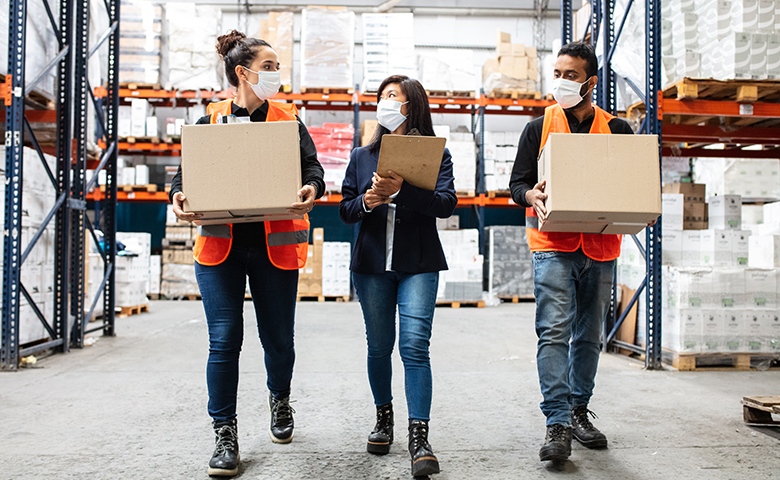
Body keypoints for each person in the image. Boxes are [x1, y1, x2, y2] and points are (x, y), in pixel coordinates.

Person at [169, 30, 324, 477]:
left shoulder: (288, 120)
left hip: (274, 247)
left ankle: (280, 399)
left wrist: (311, 187)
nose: (278, 74)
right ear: (244, 72)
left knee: (277, 341)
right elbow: (184, 176)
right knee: (224, 340)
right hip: (222, 248)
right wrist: (177, 195)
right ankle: (225, 433)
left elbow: (312, 169)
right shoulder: (209, 123)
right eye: (270, 66)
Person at [509, 42, 644, 464]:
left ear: (591, 82)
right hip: (554, 246)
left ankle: (579, 410)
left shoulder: (617, 129)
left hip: (602, 246)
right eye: (558, 73)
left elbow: (632, 184)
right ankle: (557, 422)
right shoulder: (538, 127)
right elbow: (518, 185)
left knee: (588, 336)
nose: (562, 82)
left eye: (571, 75)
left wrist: (644, 206)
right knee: (553, 332)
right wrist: (529, 194)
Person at [339, 75, 457, 477]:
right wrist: (368, 200)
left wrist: (402, 190)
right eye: (382, 96)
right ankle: (383, 417)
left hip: (418, 264)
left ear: (413, 106)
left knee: (414, 347)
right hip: (372, 265)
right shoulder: (361, 156)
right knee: (379, 346)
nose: (385, 102)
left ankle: (419, 437)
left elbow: (445, 204)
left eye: (394, 97)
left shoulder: (436, 154)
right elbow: (344, 209)